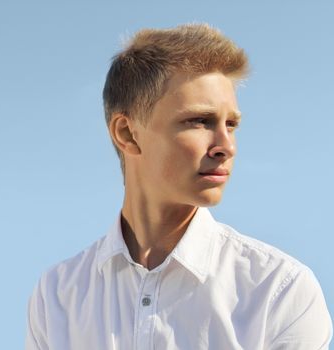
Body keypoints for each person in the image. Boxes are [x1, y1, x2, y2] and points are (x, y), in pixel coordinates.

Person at [25, 23, 332, 349]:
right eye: (200, 121)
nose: (226, 146)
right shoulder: (57, 296)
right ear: (127, 134)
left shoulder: (279, 291)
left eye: (231, 124)